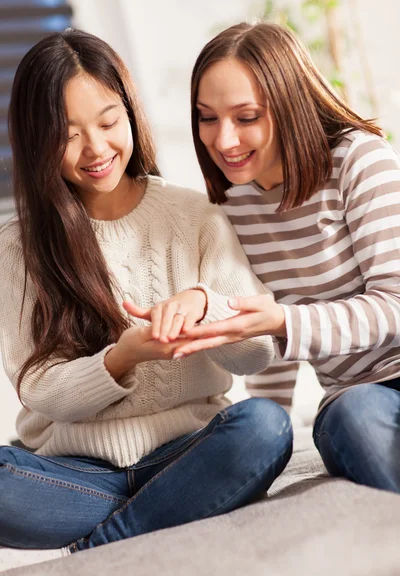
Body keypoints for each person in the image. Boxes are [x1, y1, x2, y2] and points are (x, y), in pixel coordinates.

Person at [0, 28, 293, 566]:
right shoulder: (17, 248)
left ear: (131, 113)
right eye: (68, 135)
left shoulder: (196, 215)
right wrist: (123, 356)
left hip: (187, 451)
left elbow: (257, 353)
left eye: (109, 122)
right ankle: (167, 513)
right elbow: (39, 389)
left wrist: (207, 307)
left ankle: (106, 550)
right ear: (37, 140)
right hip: (78, 475)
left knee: (265, 429)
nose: (96, 149)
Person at [175, 21, 400, 494]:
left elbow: (395, 304)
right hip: (357, 401)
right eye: (207, 117)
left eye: (246, 116)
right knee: (353, 419)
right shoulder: (232, 207)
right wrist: (262, 435)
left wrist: (283, 321)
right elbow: (265, 332)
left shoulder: (361, 161)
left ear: (289, 105)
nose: (224, 140)